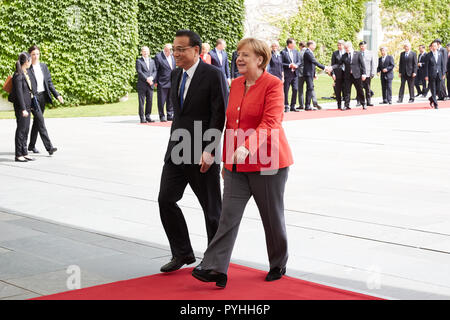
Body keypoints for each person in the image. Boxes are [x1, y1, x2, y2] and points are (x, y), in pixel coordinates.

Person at [192, 38, 294, 288]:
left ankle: (278, 262)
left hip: (269, 163)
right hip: (237, 165)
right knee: (227, 217)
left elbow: (271, 122)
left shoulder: (273, 85)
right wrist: (224, 159)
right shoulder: (235, 84)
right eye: (238, 54)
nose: (238, 58)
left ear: (260, 59)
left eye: (245, 55)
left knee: (272, 218)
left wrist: (247, 147)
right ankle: (215, 267)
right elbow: (231, 125)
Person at [158, 30, 228, 273]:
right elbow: (181, 114)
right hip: (177, 150)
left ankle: (214, 262)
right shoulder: (176, 74)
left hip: (202, 153)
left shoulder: (213, 75)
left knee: (211, 210)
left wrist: (210, 150)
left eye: (181, 49)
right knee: (166, 199)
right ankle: (182, 253)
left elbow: (219, 114)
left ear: (196, 50)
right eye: (174, 49)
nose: (175, 53)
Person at [27, 45, 59, 155]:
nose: (35, 56)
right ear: (29, 56)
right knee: (41, 121)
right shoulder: (27, 68)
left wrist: (57, 95)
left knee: (37, 122)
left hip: (42, 97)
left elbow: (49, 83)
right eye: (33, 54)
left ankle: (31, 146)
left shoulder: (43, 67)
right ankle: (49, 147)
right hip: (33, 98)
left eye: (37, 54)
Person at [10, 53, 35, 162]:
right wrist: (24, 109)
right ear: (26, 62)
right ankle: (18, 154)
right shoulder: (18, 75)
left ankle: (24, 152)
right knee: (21, 130)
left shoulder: (25, 73)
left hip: (27, 106)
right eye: (29, 60)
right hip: (22, 107)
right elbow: (19, 94)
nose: (30, 63)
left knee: (26, 129)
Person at [332, 41, 366, 110]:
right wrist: (331, 67)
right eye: (345, 48)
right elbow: (339, 64)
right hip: (348, 76)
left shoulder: (358, 54)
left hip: (357, 75)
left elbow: (362, 65)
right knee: (347, 90)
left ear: (350, 47)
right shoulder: (344, 55)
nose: (346, 50)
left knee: (359, 90)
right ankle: (346, 105)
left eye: (346, 48)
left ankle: (363, 103)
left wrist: (364, 74)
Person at [304, 40, 330, 111]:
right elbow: (314, 61)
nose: (315, 47)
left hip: (311, 73)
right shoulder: (307, 52)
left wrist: (314, 73)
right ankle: (307, 105)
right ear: (310, 45)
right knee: (310, 89)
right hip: (308, 73)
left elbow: (312, 64)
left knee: (310, 88)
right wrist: (324, 67)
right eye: (314, 45)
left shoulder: (310, 52)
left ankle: (308, 105)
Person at [154, 44, 175, 122]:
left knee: (170, 100)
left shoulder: (172, 56)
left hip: (171, 82)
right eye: (170, 50)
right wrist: (155, 81)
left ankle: (170, 115)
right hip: (162, 82)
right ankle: (162, 115)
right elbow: (155, 70)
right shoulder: (158, 57)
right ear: (166, 50)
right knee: (161, 100)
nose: (172, 52)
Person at [136, 46, 157, 123]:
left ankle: (148, 116)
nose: (145, 52)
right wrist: (147, 79)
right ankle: (142, 118)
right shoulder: (139, 61)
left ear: (149, 52)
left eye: (147, 51)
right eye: (144, 51)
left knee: (150, 101)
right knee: (141, 102)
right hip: (142, 84)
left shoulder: (152, 61)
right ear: (141, 52)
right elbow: (139, 72)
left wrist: (152, 78)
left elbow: (155, 71)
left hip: (150, 84)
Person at [425, 40, 446, 109]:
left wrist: (443, 73)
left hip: (439, 74)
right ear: (431, 47)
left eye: (435, 46)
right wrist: (426, 75)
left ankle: (431, 98)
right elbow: (426, 66)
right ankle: (436, 104)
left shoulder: (440, 54)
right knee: (433, 89)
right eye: (433, 46)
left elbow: (443, 64)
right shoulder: (428, 55)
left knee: (439, 89)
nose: (434, 47)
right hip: (431, 74)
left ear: (437, 46)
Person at [281, 38, 300, 112]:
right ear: (289, 44)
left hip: (295, 73)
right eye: (294, 43)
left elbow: (299, 61)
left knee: (295, 89)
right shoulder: (283, 52)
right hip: (287, 74)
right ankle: (286, 105)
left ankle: (293, 105)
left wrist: (296, 65)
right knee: (286, 90)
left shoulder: (296, 51)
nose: (295, 45)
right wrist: (289, 65)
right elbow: (281, 63)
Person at [359, 41, 377, 107]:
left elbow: (373, 63)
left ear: (366, 46)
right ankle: (360, 101)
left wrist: (373, 72)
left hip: (368, 73)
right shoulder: (358, 53)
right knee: (359, 88)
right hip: (359, 74)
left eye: (363, 46)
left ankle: (368, 101)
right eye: (361, 46)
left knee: (368, 88)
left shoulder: (370, 53)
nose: (362, 47)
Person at [331, 40, 346, 109]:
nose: (339, 46)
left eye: (340, 45)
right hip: (337, 74)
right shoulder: (335, 53)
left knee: (345, 89)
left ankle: (346, 104)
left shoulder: (346, 52)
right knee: (338, 89)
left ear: (343, 45)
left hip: (346, 74)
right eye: (338, 45)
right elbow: (333, 65)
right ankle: (339, 104)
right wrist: (333, 74)